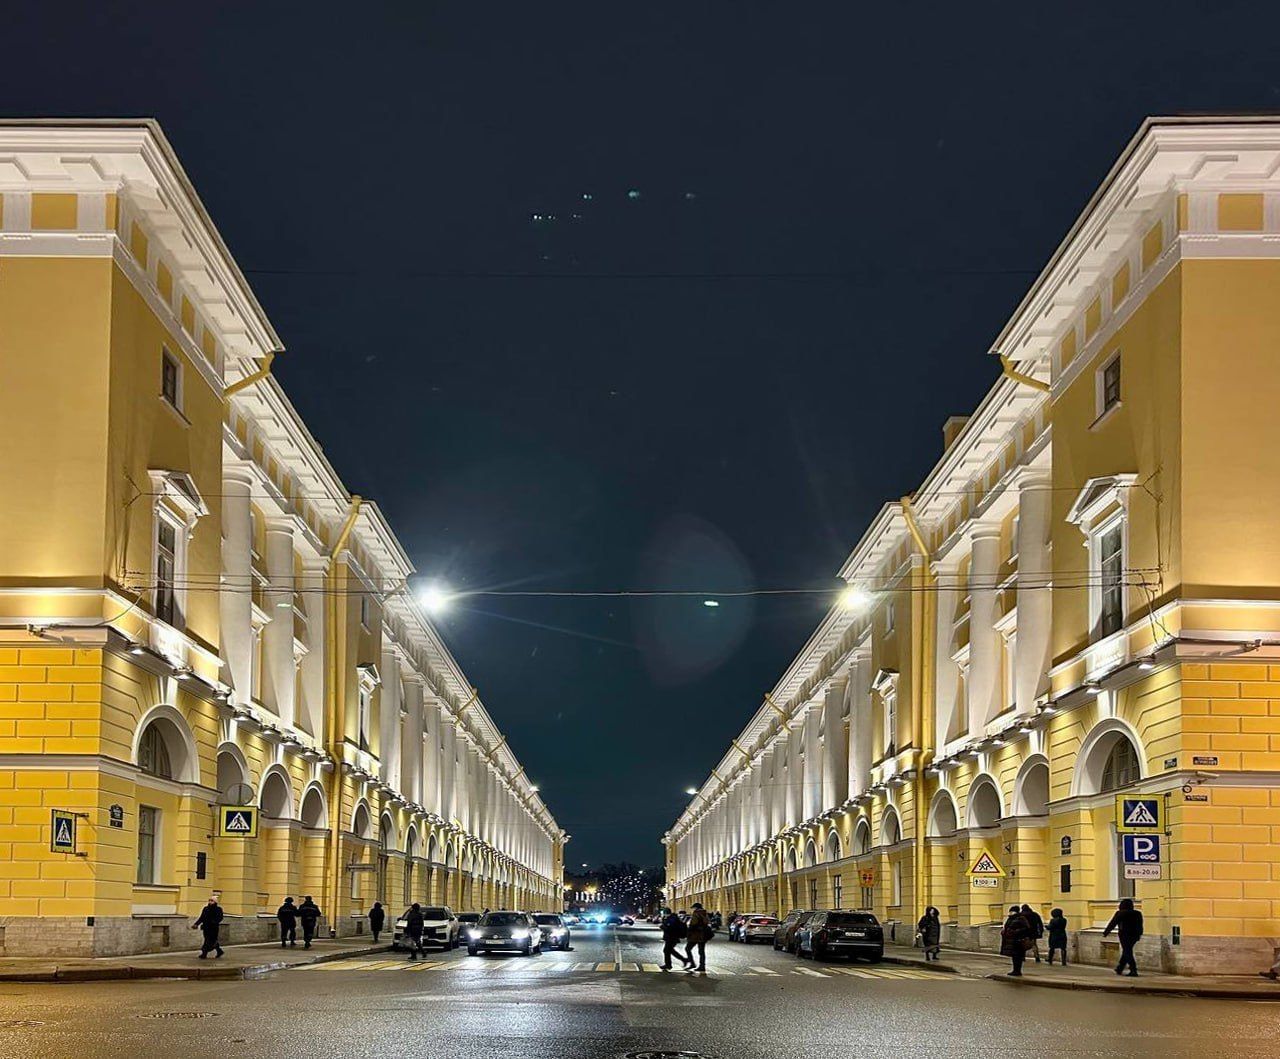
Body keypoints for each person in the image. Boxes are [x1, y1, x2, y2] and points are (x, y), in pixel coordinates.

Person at [1103, 898, 1144, 977]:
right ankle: (1120, 968)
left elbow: (1113, 923)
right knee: (1127, 950)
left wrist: (1106, 932)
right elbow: (1140, 925)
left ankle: (1133, 970)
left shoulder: (1120, 913)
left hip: (1124, 934)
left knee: (1127, 951)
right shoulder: (1138, 913)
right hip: (1134, 935)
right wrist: (1139, 934)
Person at [1000, 904, 1032, 977]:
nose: (1011, 913)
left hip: (1018, 940)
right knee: (1014, 956)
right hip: (1011, 940)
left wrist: (1015, 932)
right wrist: (1004, 932)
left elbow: (1026, 928)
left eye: (1012, 911)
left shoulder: (1021, 918)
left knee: (1018, 956)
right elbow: (1007, 927)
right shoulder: (1010, 918)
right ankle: (1015, 970)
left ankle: (1017, 971)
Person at [684, 902, 713, 973]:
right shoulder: (705, 913)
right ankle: (702, 966)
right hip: (703, 935)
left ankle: (692, 963)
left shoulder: (696, 913)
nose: (693, 909)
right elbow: (707, 922)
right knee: (701, 951)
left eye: (694, 908)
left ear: (696, 907)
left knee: (688, 948)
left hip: (696, 935)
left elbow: (693, 923)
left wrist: (688, 931)